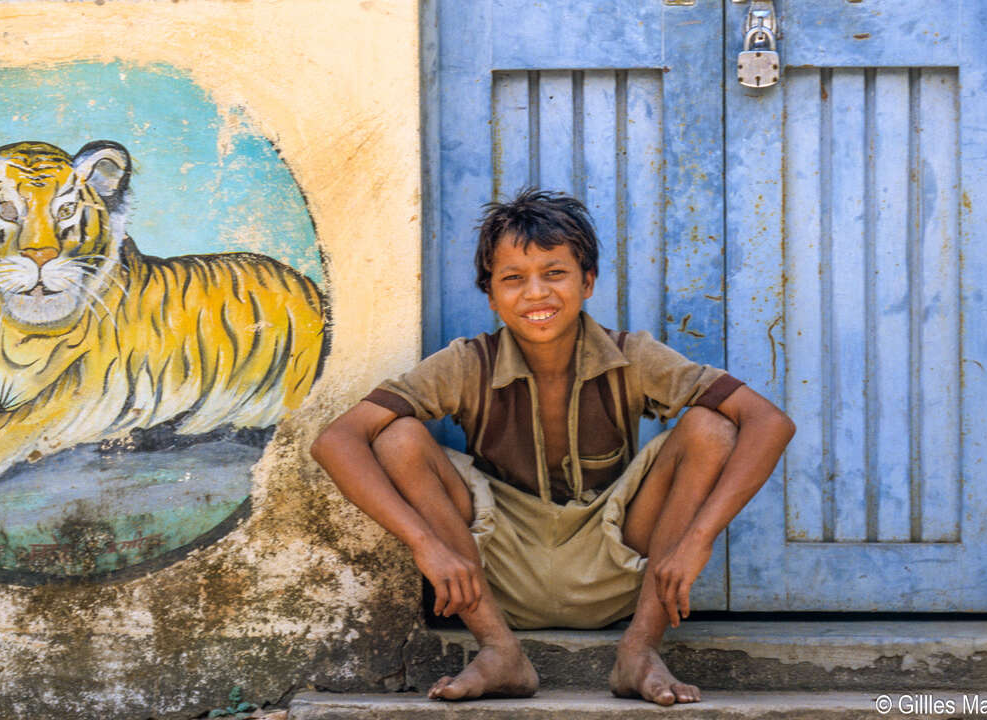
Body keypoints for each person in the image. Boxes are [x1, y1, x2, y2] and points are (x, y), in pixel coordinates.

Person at [311, 188, 795, 705]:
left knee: (711, 426)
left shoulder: (633, 356)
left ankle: (639, 650)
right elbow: (336, 440)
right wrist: (424, 543)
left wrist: (699, 537)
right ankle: (499, 650)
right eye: (513, 279)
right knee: (398, 435)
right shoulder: (466, 362)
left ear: (587, 282)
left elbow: (769, 422)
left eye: (555, 273)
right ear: (492, 296)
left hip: (616, 568)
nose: (536, 293)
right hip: (498, 573)